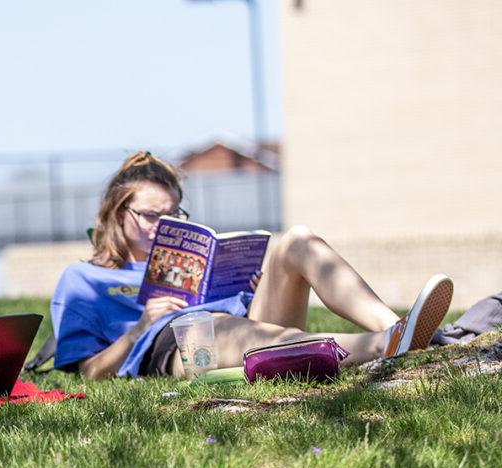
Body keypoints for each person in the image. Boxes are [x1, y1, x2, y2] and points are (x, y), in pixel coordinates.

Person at [50, 151, 455, 380]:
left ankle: (394, 327)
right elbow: (90, 372)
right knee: (214, 326)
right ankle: (387, 345)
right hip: (174, 345)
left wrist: (255, 286)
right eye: (152, 216)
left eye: (174, 215)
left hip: (243, 320)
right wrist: (139, 327)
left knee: (295, 239)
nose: (165, 226)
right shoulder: (86, 280)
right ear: (117, 213)